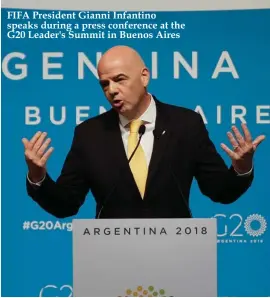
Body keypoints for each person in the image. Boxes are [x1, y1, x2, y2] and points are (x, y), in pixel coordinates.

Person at [23, 45, 265, 219]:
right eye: (105, 84)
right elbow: (66, 204)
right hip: (110, 259)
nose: (112, 90)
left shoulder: (186, 124)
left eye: (119, 79)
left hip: (178, 255)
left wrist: (241, 169)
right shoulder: (89, 134)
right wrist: (38, 176)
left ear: (144, 76)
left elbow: (219, 191)